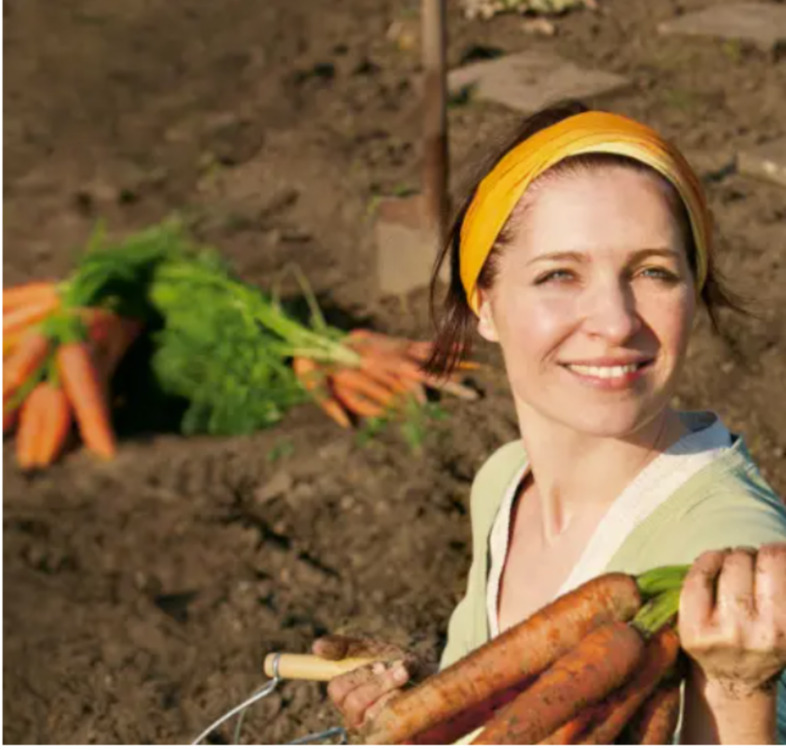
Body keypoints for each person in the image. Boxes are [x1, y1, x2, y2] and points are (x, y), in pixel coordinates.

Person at [312, 101, 786, 744]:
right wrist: (427, 706)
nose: (616, 321)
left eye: (654, 272)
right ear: (484, 303)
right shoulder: (504, 482)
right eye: (559, 274)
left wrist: (739, 693)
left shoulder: (737, 564)